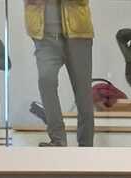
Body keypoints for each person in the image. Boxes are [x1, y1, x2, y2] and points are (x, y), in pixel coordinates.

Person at [23, 0, 94, 147]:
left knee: (83, 92)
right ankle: (58, 139)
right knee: (45, 81)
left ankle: (86, 145)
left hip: (78, 35)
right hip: (44, 37)